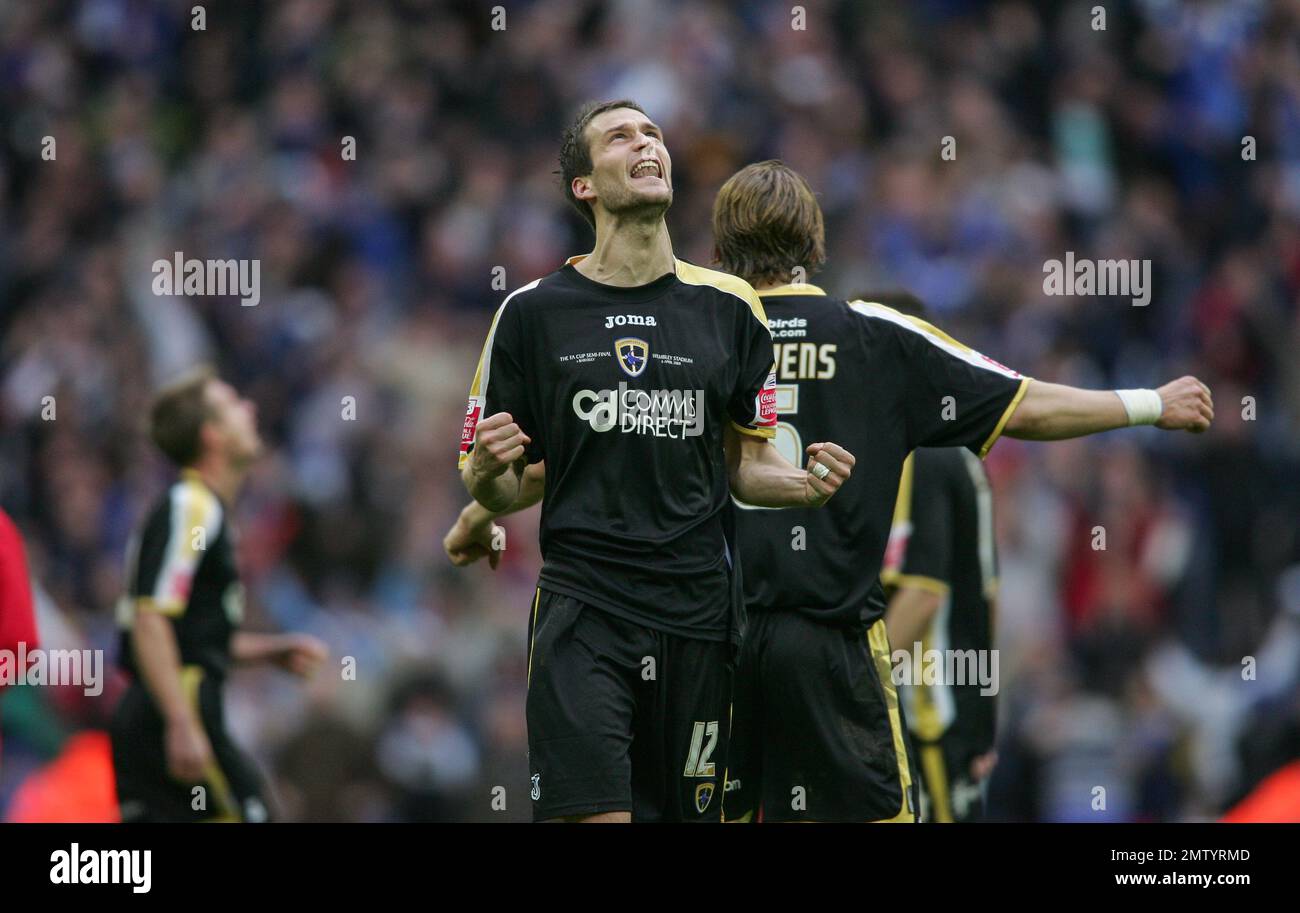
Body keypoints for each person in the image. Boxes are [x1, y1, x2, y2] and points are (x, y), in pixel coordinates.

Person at [451, 159, 1214, 823]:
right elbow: (1026, 402)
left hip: (717, 649)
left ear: (719, 251)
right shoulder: (874, 335)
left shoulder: (696, 333)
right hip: (832, 646)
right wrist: (1150, 402)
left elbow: (599, 454)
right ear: (815, 244)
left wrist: (482, 508)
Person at [454, 102, 854, 823]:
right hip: (586, 612)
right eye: (622, 136)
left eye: (654, 135)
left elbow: (740, 465)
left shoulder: (731, 307)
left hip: (698, 618)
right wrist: (484, 475)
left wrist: (802, 486)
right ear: (585, 185)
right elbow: (499, 475)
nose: (647, 144)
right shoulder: (531, 314)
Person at [111, 366, 328, 822]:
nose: (249, 409)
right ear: (212, 435)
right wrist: (181, 722)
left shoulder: (196, 509)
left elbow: (185, 636)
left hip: (155, 712)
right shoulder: (192, 505)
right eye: (233, 403)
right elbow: (150, 619)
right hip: (174, 708)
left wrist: (268, 651)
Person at [877, 292, 1003, 823]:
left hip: (925, 716)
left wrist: (850, 683)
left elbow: (923, 593)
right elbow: (989, 600)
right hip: (960, 711)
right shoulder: (959, 448)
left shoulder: (922, 453)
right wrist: (986, 715)